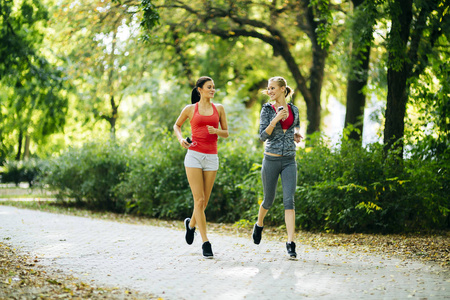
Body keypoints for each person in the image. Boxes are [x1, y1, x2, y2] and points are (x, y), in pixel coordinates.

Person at [173, 76, 229, 258]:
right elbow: (177, 125)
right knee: (199, 200)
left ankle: (191, 225)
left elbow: (226, 133)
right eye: (209, 87)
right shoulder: (190, 109)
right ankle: (206, 242)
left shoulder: (219, 108)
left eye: (214, 87)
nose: (212, 90)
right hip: (194, 157)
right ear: (200, 90)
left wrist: (217, 131)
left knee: (204, 202)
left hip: (212, 157)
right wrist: (181, 139)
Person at [252, 76, 302, 259]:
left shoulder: (294, 110)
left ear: (282, 89)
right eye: (268, 88)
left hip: (289, 160)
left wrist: (296, 135)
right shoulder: (266, 110)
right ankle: (259, 224)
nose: (270, 91)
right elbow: (263, 136)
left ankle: (290, 242)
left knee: (289, 200)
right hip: (271, 160)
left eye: (273, 88)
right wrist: (275, 120)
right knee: (269, 200)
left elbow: (294, 128)